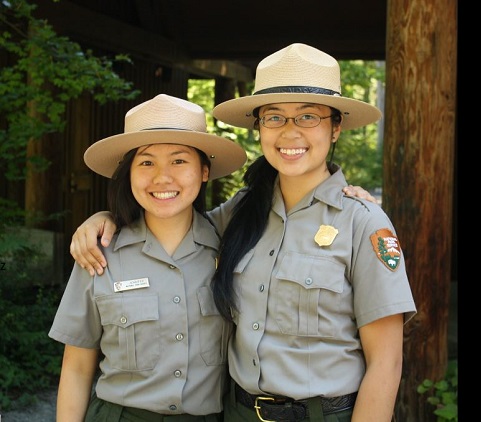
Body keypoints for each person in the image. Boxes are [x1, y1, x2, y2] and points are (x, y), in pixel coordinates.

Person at [70, 43, 418, 422]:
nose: (289, 132)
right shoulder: (239, 213)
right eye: (274, 118)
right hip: (238, 413)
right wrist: (104, 219)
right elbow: (170, 218)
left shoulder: (363, 223)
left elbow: (387, 362)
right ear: (258, 128)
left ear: (335, 128)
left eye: (307, 117)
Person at [49, 93, 249, 420]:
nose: (162, 177)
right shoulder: (99, 252)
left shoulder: (230, 243)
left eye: (179, 160)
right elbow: (76, 367)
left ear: (203, 170)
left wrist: (356, 198)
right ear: (129, 173)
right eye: (146, 162)